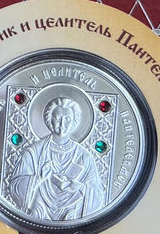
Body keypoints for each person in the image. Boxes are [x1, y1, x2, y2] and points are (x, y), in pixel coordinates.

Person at [6, 95, 105, 223]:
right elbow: (15, 187)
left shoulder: (84, 156)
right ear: (49, 120)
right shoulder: (34, 152)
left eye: (67, 119)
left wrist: (79, 187)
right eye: (57, 118)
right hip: (39, 212)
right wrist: (39, 178)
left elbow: (97, 194)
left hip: (72, 213)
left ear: (74, 122)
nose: (62, 124)